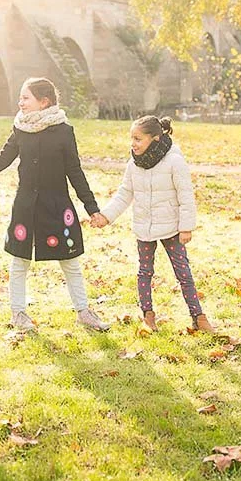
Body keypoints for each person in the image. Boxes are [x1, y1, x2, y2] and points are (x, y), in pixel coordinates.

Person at [0, 77, 109, 333]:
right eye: (20, 97)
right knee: (19, 260)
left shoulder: (63, 131)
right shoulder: (20, 129)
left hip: (57, 206)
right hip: (26, 206)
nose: (20, 102)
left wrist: (92, 209)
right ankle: (18, 314)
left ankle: (83, 312)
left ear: (43, 102)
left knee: (70, 261)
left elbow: (75, 172)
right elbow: (0, 161)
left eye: (26, 98)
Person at [92, 115, 212, 333]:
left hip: (172, 227)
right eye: (132, 139)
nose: (133, 144)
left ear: (155, 139)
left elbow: (186, 195)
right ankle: (148, 315)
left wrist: (186, 227)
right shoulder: (134, 164)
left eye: (138, 139)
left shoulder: (174, 161)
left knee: (183, 273)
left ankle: (198, 316)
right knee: (144, 272)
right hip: (144, 227)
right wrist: (106, 216)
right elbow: (124, 194)